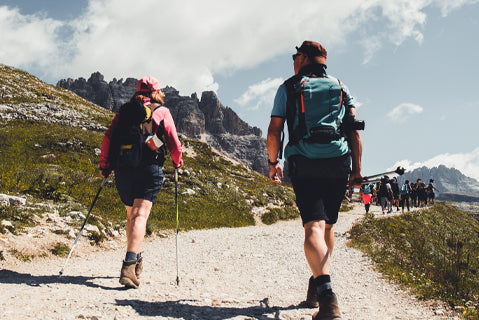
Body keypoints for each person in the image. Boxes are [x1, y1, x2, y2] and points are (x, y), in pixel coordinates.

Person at [267, 40, 363, 320]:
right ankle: (318, 282)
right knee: (328, 226)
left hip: (304, 161)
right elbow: (355, 131)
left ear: (305, 58)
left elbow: (274, 131)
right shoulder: (342, 86)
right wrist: (357, 170)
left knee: (313, 227)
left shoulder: (289, 87)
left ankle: (327, 296)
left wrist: (273, 164)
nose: (293, 59)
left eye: (296, 55)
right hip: (338, 161)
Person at [99, 76, 183, 289]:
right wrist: (177, 162)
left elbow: (108, 138)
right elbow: (172, 140)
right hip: (149, 167)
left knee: (131, 215)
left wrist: (105, 166)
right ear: (157, 92)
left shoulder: (125, 112)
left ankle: (135, 260)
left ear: (138, 92)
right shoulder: (161, 111)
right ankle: (129, 265)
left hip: (124, 168)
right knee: (140, 215)